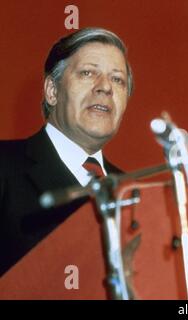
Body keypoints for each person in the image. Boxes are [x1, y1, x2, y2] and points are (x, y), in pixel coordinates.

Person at [0, 28, 133, 276]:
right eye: (87, 73)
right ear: (52, 90)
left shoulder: (133, 192)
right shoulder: (5, 166)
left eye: (117, 79)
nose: (105, 87)